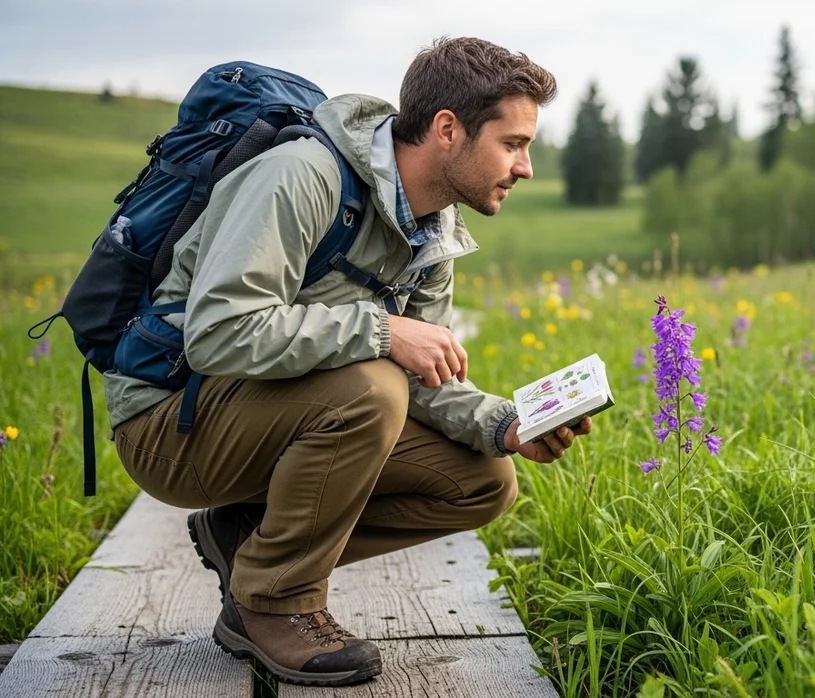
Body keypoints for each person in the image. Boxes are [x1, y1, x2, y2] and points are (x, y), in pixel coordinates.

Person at [104, 36, 589, 687]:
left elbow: (426, 375)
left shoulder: (432, 233)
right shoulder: (302, 177)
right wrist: (383, 331)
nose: (525, 166)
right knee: (373, 388)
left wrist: (505, 423)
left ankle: (249, 541)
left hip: (257, 417)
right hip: (169, 421)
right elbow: (219, 333)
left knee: (483, 481)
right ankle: (272, 604)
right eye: (513, 143)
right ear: (448, 129)